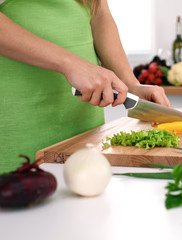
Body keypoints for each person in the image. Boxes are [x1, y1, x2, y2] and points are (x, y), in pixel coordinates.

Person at [0, 0, 171, 173]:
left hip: (85, 125)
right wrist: (69, 63)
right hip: (20, 119)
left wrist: (131, 84)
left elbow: (99, 14)